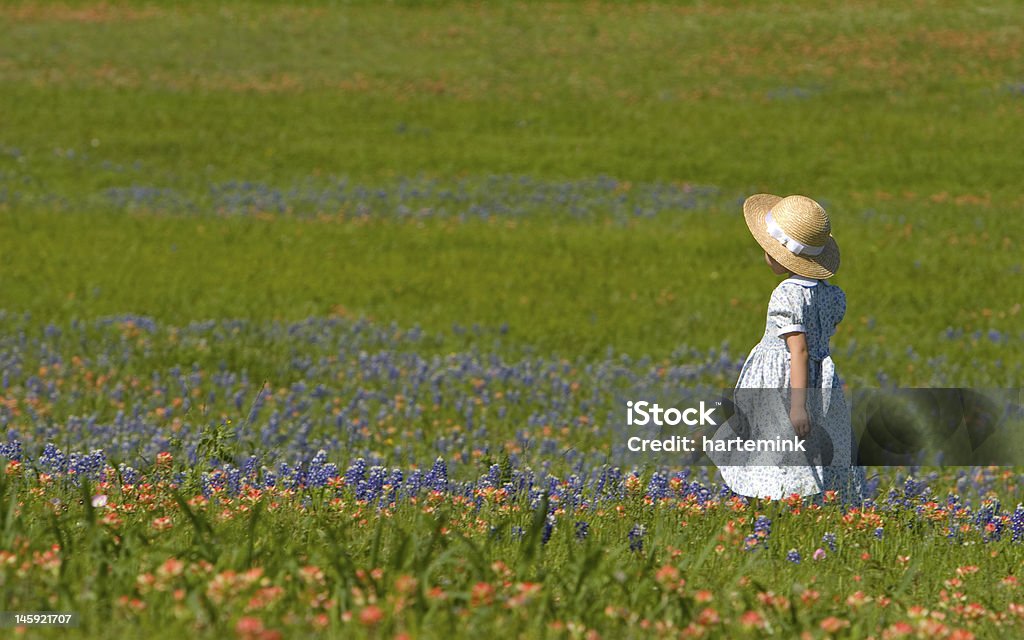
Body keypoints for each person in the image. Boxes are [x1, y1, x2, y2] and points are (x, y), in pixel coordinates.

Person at [712, 193, 864, 503]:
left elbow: (799, 351)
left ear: (781, 255)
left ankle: (776, 502)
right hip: (820, 381)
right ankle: (813, 501)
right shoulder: (831, 295)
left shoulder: (786, 295)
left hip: (784, 382)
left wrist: (797, 405)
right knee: (812, 447)